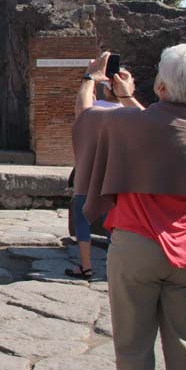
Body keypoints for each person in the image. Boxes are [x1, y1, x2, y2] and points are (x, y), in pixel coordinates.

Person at [74, 46, 186, 370]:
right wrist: (128, 97)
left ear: (160, 86)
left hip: (137, 247)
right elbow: (165, 128)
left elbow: (85, 115)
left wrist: (90, 79)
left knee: (133, 349)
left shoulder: (128, 124)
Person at [66, 84, 121, 280]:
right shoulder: (131, 112)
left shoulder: (92, 110)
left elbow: (81, 106)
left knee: (83, 219)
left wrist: (89, 78)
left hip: (88, 173)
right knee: (114, 220)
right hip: (114, 175)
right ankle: (115, 267)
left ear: (105, 90)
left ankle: (86, 266)